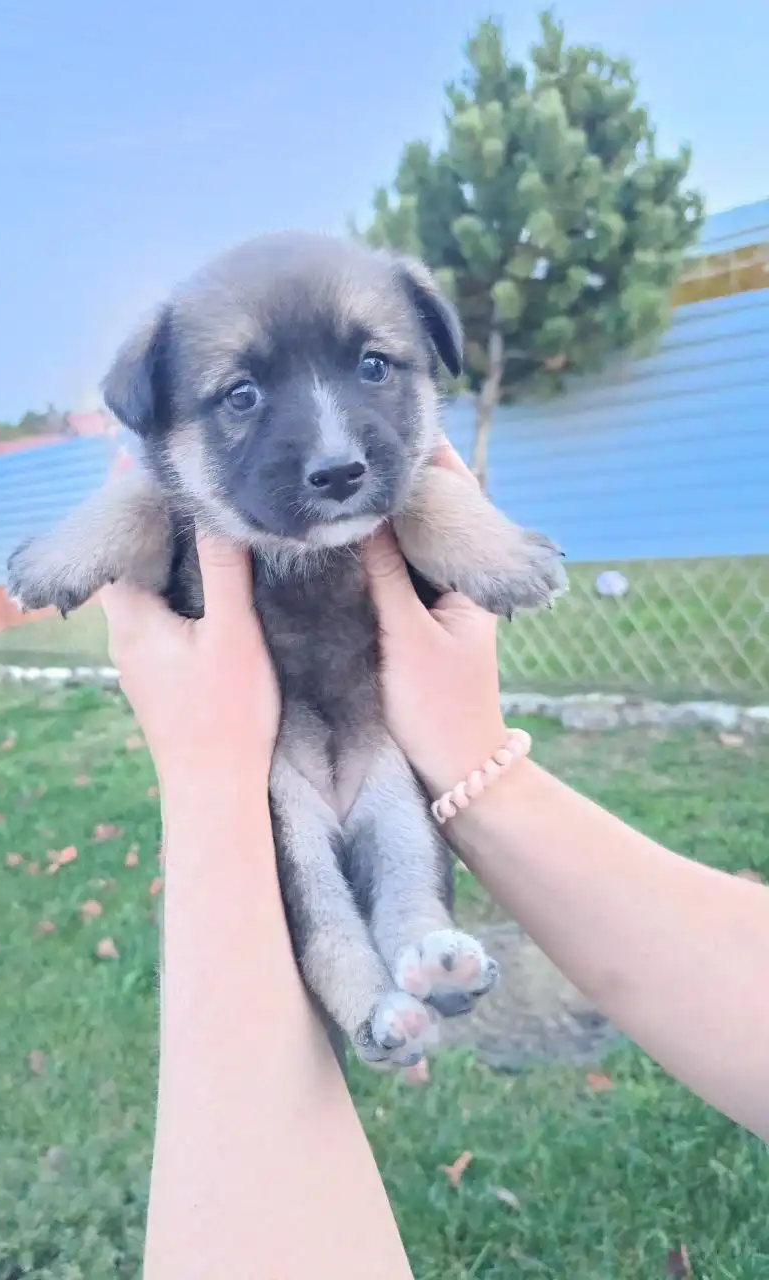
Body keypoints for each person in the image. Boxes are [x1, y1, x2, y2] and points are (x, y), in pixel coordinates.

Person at [99, 446, 769, 1280]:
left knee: (402, 847)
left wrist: (206, 782)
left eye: (378, 377)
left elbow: (423, 498)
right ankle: (363, 997)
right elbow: (141, 509)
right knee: (311, 884)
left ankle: (413, 943)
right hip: (291, 751)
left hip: (366, 723)